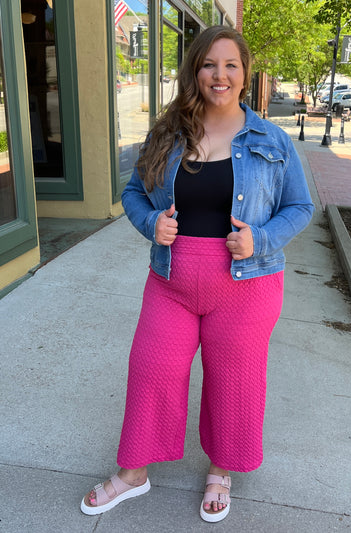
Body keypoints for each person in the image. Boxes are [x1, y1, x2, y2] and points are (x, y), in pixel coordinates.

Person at [80, 25, 314, 523]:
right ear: (195, 71)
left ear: (246, 74)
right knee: (152, 368)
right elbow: (133, 194)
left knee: (234, 381)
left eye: (231, 65)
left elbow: (300, 206)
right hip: (172, 282)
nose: (220, 74)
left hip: (246, 284)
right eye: (209, 64)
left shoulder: (271, 139)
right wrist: (151, 222)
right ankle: (133, 474)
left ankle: (221, 470)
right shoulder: (169, 133)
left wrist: (261, 239)